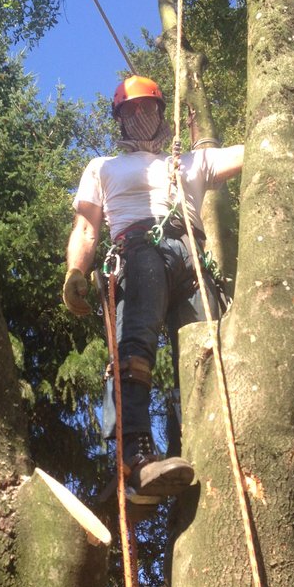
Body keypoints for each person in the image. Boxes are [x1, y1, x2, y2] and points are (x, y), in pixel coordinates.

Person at [63, 75, 244, 503]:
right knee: (136, 343)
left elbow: (254, 152)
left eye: (148, 109)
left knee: (210, 349)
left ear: (162, 115)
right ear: (121, 122)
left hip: (193, 254)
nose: (141, 116)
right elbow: (87, 226)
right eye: (131, 111)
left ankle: (198, 446)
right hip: (138, 245)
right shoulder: (103, 166)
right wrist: (75, 271)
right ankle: (136, 457)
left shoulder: (188, 163)